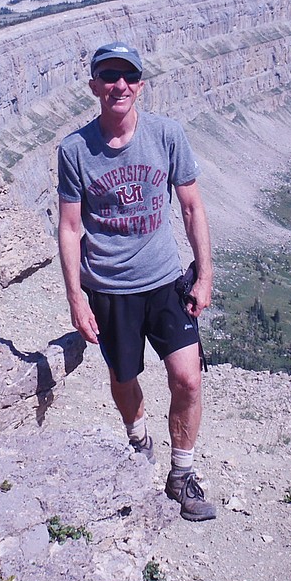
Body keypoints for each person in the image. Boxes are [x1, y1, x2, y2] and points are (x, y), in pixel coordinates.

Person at [56, 41, 217, 522]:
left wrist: (204, 274)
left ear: (140, 85)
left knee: (187, 378)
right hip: (107, 288)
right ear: (94, 87)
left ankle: (182, 473)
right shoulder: (74, 151)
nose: (118, 85)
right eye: (108, 76)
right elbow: (68, 227)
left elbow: (191, 206)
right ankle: (137, 435)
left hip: (165, 281)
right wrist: (76, 299)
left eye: (128, 77)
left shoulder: (167, 135)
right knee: (124, 379)